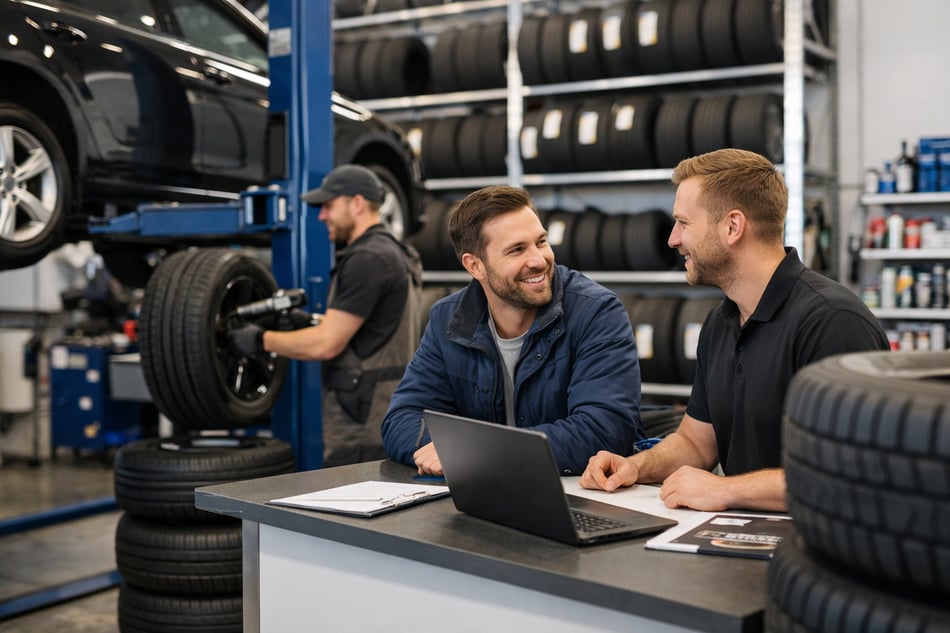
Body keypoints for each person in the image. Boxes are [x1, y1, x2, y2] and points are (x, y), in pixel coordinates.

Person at [580, 148, 890, 511]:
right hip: (740, 536)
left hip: (817, 549)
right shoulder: (721, 322)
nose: (673, 240)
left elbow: (850, 475)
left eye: (683, 223)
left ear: (732, 227)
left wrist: (726, 490)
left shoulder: (832, 322)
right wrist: (633, 466)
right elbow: (697, 443)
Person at [381, 185, 643, 476]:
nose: (538, 260)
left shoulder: (596, 313)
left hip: (575, 496)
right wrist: (459, 449)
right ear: (475, 265)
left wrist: (476, 450)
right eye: (517, 250)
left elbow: (604, 432)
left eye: (541, 242)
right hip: (484, 495)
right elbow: (401, 420)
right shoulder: (449, 320)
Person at [229, 164, 423, 467]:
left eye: (328, 206)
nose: (322, 216)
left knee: (352, 510)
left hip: (363, 423)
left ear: (356, 203)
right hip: (384, 411)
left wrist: (260, 340)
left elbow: (325, 345)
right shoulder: (394, 251)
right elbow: (373, 328)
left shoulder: (367, 259)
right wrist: (308, 323)